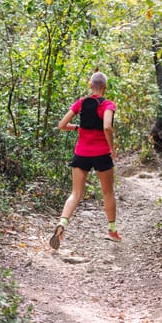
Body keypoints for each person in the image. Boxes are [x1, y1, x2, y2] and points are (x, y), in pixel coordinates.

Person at [50, 70, 121, 250]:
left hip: (81, 153)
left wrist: (78, 128)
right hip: (102, 154)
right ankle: (112, 231)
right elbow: (107, 126)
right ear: (105, 87)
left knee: (76, 194)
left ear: (90, 86)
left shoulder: (81, 103)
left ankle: (62, 224)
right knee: (108, 193)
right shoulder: (108, 105)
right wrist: (112, 148)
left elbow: (61, 125)